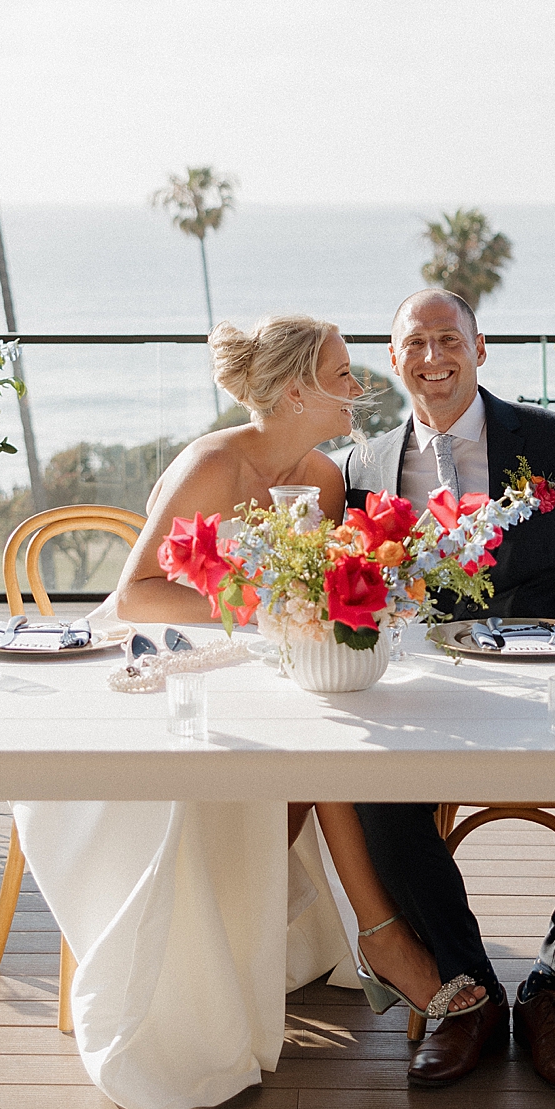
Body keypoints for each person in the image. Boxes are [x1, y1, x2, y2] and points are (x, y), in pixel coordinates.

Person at [111, 314, 485, 1024]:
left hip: (260, 660)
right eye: (343, 374)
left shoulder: (321, 477)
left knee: (325, 720)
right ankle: (378, 941)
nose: (359, 387)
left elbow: (318, 592)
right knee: (322, 736)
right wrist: (268, 608)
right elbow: (136, 597)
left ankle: (235, 927)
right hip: (167, 661)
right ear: (293, 396)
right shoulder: (213, 464)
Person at [343, 287, 555, 1095]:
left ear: (480, 347)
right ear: (393, 361)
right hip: (430, 705)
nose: (432, 358)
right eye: (414, 344)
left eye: (447, 339)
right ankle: (473, 994)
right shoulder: (365, 466)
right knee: (371, 797)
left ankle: (552, 987)